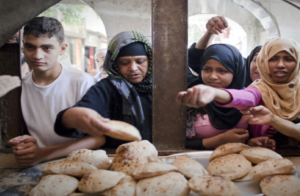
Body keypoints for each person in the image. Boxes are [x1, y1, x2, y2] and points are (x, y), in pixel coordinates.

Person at [7, 17, 105, 167]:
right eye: (30, 47)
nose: (37, 55)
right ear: (23, 48)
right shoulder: (21, 86)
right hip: (36, 166)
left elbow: (98, 137)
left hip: (79, 165)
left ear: (62, 49)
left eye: (47, 48)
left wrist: (44, 153)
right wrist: (29, 142)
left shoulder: (82, 82)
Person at [177, 37, 300, 150]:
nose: (280, 65)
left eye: (288, 59)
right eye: (273, 59)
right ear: (263, 62)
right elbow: (245, 97)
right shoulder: (259, 89)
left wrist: (252, 139)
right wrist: (214, 93)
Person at [54, 31, 152, 148]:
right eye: (124, 62)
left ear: (149, 61)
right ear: (114, 63)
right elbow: (76, 117)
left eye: (140, 61)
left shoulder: (163, 88)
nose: (133, 68)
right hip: (117, 160)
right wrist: (71, 116)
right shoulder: (106, 89)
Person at [185, 42, 250, 150]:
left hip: (241, 162)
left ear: (236, 72)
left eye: (222, 71)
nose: (213, 76)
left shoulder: (246, 99)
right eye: (207, 69)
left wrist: (252, 141)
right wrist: (222, 139)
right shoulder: (193, 99)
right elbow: (176, 143)